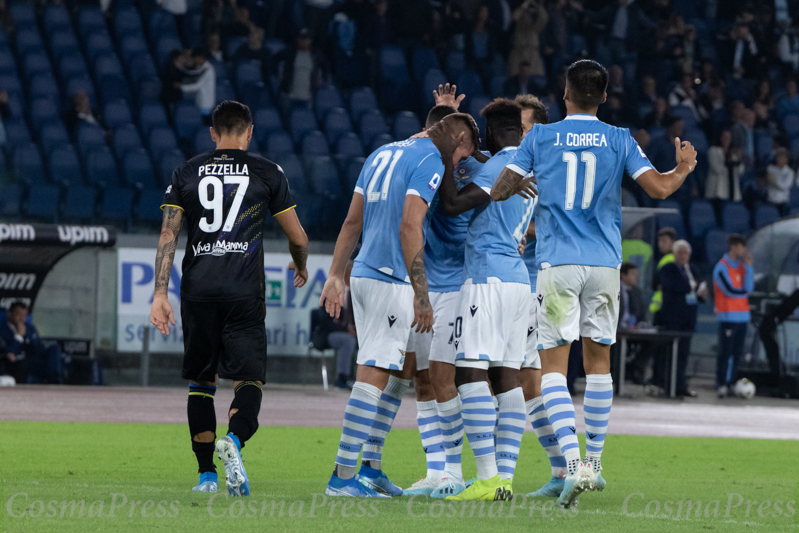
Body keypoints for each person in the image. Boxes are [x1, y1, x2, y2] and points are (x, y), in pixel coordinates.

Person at [490, 59, 697, 508]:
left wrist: (523, 177)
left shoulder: (540, 137)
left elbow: (501, 190)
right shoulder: (620, 139)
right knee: (599, 363)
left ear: (564, 94)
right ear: (604, 97)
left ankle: (571, 461)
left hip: (558, 262)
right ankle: (595, 465)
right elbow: (659, 188)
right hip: (605, 265)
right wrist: (682, 167)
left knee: (553, 370)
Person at [149, 100, 309, 496]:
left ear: (213, 133)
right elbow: (299, 237)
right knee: (248, 379)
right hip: (242, 291)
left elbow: (168, 235)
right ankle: (233, 442)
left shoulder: (186, 171)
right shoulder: (267, 172)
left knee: (202, 382)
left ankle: (206, 477)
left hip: (198, 290)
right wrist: (299, 264)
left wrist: (159, 294)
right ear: (249, 131)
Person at [318, 110, 478, 498]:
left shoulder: (382, 152)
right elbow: (410, 225)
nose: (457, 167)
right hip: (391, 277)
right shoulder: (430, 160)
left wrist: (336, 274)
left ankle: (371, 469)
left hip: (366, 273)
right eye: (463, 157)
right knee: (373, 372)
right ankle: (341, 477)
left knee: (398, 371)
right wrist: (421, 294)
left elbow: (352, 221)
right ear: (457, 142)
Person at [428, 99, 532, 502]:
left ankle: (486, 478)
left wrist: (443, 153)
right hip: (518, 282)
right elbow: (491, 166)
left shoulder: (494, 169)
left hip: (486, 277)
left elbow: (452, 205)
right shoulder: (525, 165)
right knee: (508, 376)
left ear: (489, 135)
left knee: (468, 373)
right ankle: (504, 479)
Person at [400, 102, 488, 499]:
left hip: (455, 284)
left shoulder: (474, 166)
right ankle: (435, 471)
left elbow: (483, 159)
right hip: (422, 283)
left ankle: (454, 470)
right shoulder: (424, 163)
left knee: (441, 378)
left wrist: (459, 140)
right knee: (419, 381)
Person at [513, 94, 570, 500]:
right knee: (528, 384)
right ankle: (563, 468)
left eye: (527, 128)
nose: (521, 136)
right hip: (520, 286)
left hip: (539, 284)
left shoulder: (547, 171)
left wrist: (523, 233)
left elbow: (560, 219)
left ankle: (571, 466)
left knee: (537, 382)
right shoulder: (514, 168)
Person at [657, 240, 706, 397]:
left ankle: (680, 385)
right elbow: (673, 287)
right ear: (674, 254)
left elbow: (699, 289)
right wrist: (692, 287)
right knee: (670, 354)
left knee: (683, 354)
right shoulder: (667, 269)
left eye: (686, 253)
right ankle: (666, 385)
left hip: (689, 317)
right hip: (673, 317)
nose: (683, 256)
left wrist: (701, 292)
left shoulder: (693, 269)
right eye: (680, 252)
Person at [713, 234, 754, 398]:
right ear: (733, 247)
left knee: (737, 353)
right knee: (725, 352)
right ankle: (721, 383)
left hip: (743, 317)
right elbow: (729, 290)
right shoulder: (721, 267)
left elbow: (749, 287)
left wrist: (749, 267)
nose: (743, 250)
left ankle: (731, 383)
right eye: (741, 247)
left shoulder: (742, 267)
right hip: (728, 316)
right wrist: (744, 293)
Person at [0, 302, 61, 384]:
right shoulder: (3, 331)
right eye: (18, 314)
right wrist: (19, 336)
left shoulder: (30, 328)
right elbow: (10, 353)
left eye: (24, 315)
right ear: (10, 314)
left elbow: (39, 347)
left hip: (34, 361)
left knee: (55, 349)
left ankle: (55, 378)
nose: (21, 318)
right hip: (18, 363)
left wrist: (28, 338)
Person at [705, 129, 744, 205]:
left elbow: (740, 171)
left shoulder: (733, 154)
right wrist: (727, 158)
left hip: (731, 191)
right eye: (724, 137)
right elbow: (717, 169)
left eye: (728, 138)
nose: (726, 140)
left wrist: (738, 159)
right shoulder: (713, 151)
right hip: (717, 191)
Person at [180, 49, 217, 123]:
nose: (195, 60)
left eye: (195, 58)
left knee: (206, 125)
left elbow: (197, 86)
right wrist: (182, 69)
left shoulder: (208, 70)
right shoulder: (201, 67)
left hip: (206, 105)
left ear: (200, 57)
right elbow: (193, 73)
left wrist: (181, 87)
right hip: (200, 102)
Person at [649, 227, 677, 320]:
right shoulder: (664, 259)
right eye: (659, 241)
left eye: (664, 241)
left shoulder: (669, 260)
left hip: (664, 308)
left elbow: (656, 284)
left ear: (673, 242)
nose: (660, 244)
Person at [766, 148, 795, 216]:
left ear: (786, 159)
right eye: (778, 157)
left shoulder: (790, 172)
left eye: (782, 157)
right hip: (771, 202)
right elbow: (766, 182)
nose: (779, 159)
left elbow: (785, 186)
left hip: (783, 204)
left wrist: (774, 181)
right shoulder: (771, 169)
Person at [619, 263, 645, 329]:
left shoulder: (637, 292)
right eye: (633, 274)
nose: (636, 277)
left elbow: (641, 314)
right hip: (618, 329)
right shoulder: (615, 290)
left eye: (637, 274)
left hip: (633, 329)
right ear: (623, 275)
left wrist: (640, 324)